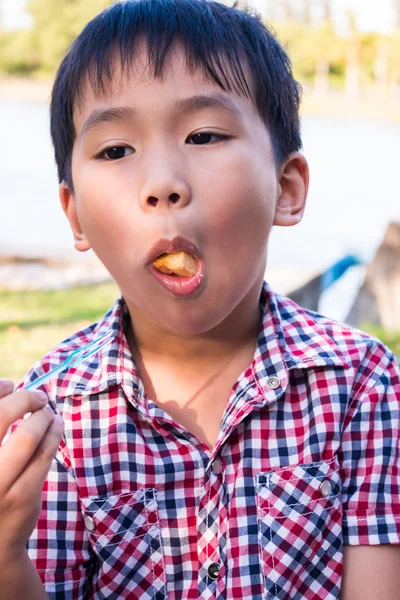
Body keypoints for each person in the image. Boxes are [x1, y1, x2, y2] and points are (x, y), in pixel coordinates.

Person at [1, 1, 399, 598]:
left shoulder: (363, 387)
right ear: (76, 215)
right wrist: (6, 554)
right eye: (115, 150)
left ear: (286, 190)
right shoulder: (56, 413)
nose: (162, 183)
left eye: (204, 134)